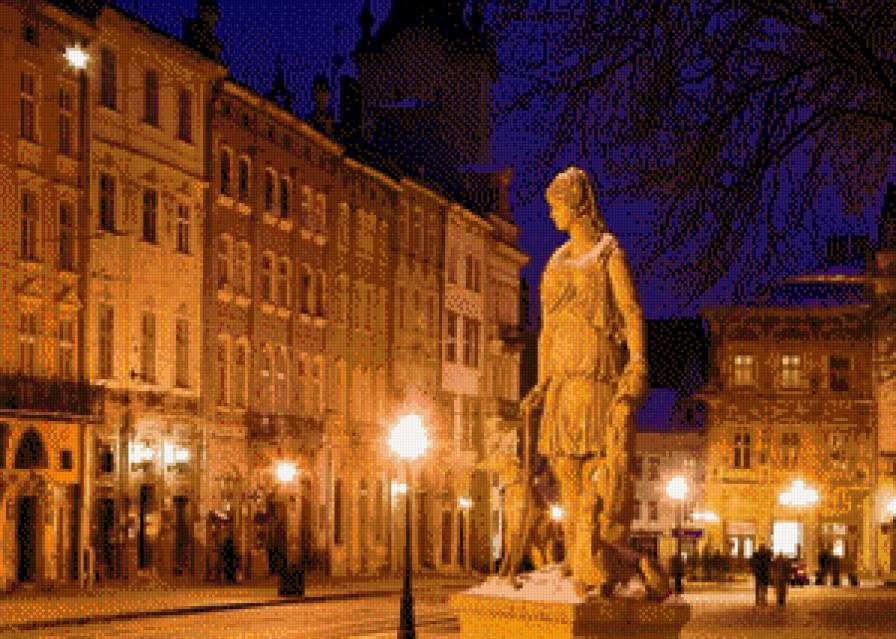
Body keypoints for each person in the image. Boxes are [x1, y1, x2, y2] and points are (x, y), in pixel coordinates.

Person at [521, 167, 667, 600]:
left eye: (556, 207)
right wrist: (541, 382)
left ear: (575, 205)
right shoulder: (555, 262)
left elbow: (631, 311)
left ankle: (600, 551)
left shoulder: (607, 253)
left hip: (596, 372)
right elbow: (546, 330)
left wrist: (637, 361)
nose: (552, 215)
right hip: (563, 379)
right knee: (565, 470)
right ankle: (575, 555)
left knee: (598, 469)